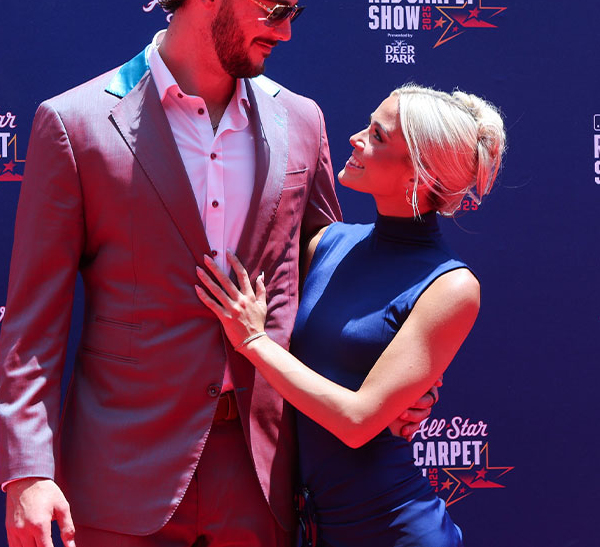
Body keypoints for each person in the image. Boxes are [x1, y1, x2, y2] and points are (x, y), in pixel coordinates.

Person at [0, 0, 433, 547]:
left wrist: (395, 379)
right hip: (123, 473)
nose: (285, 32)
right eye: (274, 10)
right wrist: (27, 473)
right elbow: (34, 320)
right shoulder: (77, 123)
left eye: (294, 12)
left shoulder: (302, 122)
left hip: (264, 475)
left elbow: (330, 291)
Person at [197, 84, 506, 546]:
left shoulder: (452, 285)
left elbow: (358, 422)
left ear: (417, 176)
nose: (356, 139)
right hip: (310, 527)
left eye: (378, 136)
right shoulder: (326, 244)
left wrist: (253, 341)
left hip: (393, 530)